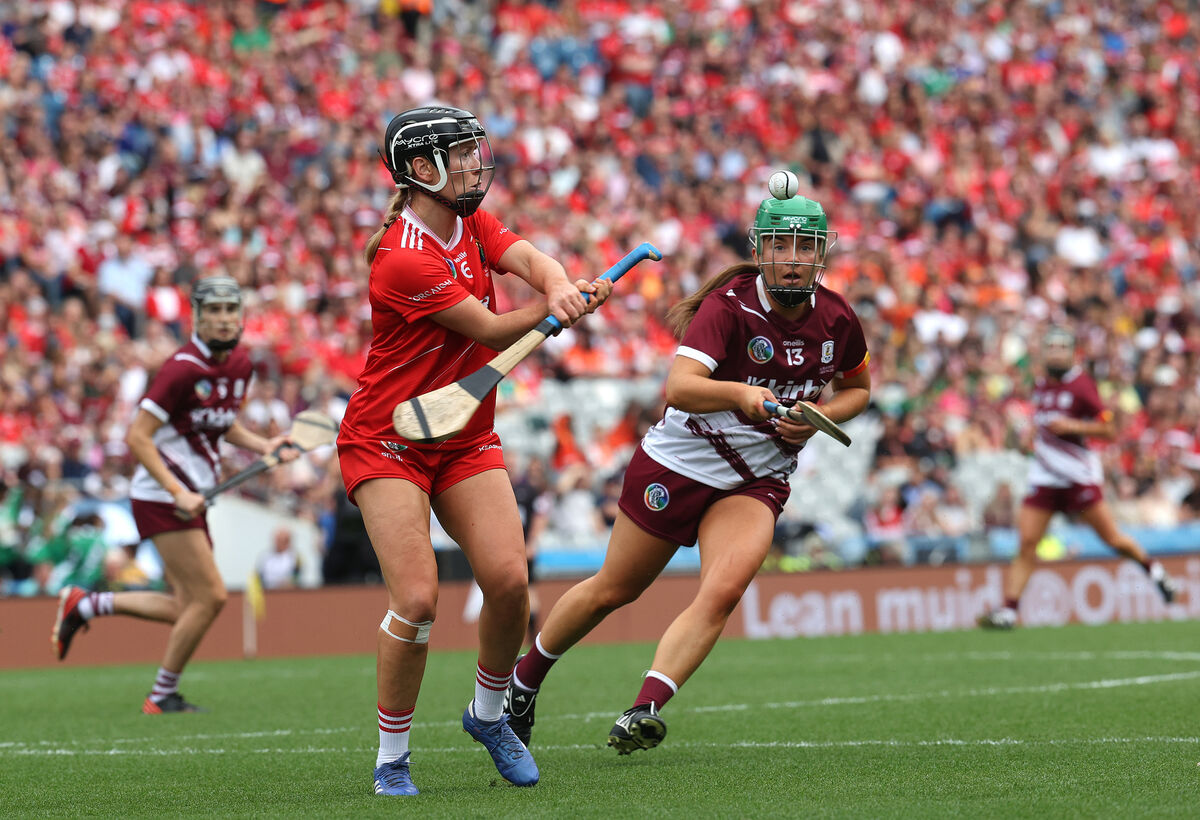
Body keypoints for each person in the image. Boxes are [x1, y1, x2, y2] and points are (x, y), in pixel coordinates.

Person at [504, 181, 871, 754]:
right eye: (779, 246)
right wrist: (742, 396)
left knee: (723, 591)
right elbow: (679, 388)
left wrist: (821, 413)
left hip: (757, 476)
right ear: (760, 249)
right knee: (613, 589)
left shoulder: (839, 317)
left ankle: (644, 707)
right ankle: (524, 681)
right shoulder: (730, 308)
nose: (792, 260)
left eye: (804, 248)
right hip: (681, 460)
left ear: (821, 254)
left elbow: (859, 389)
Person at [335, 105, 612, 797]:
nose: (472, 163)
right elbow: (490, 330)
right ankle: (391, 757)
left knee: (511, 582)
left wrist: (557, 286)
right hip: (389, 438)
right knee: (420, 599)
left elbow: (528, 258)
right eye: (458, 154)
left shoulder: (470, 222)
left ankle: (488, 717)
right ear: (419, 170)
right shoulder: (402, 259)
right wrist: (559, 309)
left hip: (462, 436)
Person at [50, 275, 298, 712]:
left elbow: (221, 422)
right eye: (213, 311)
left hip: (193, 495)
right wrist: (176, 490)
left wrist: (264, 446)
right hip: (163, 496)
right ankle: (161, 694)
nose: (223, 319)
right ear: (197, 318)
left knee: (186, 606)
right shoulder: (181, 368)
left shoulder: (239, 364)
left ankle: (86, 605)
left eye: (230, 310)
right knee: (212, 597)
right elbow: (137, 437)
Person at [978, 327, 1177, 629]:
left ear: (1072, 352)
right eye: (1051, 347)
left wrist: (1073, 426)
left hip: (1077, 476)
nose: (1055, 352)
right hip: (1045, 477)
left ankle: (1154, 571)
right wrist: (1029, 438)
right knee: (1027, 543)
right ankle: (1008, 611)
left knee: (1112, 538)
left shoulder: (1082, 386)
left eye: (1061, 347)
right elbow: (1042, 424)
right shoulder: (1042, 384)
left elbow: (1109, 430)